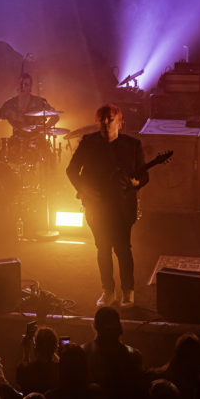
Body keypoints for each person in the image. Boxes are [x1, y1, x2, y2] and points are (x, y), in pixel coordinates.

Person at [66, 103, 149, 307]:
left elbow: (143, 175)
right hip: (97, 206)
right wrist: (85, 190)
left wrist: (136, 183)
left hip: (122, 206)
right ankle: (108, 290)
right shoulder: (88, 143)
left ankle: (127, 290)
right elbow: (71, 170)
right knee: (102, 248)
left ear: (119, 122)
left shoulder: (133, 145)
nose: (105, 123)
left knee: (122, 248)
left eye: (110, 119)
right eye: (101, 119)